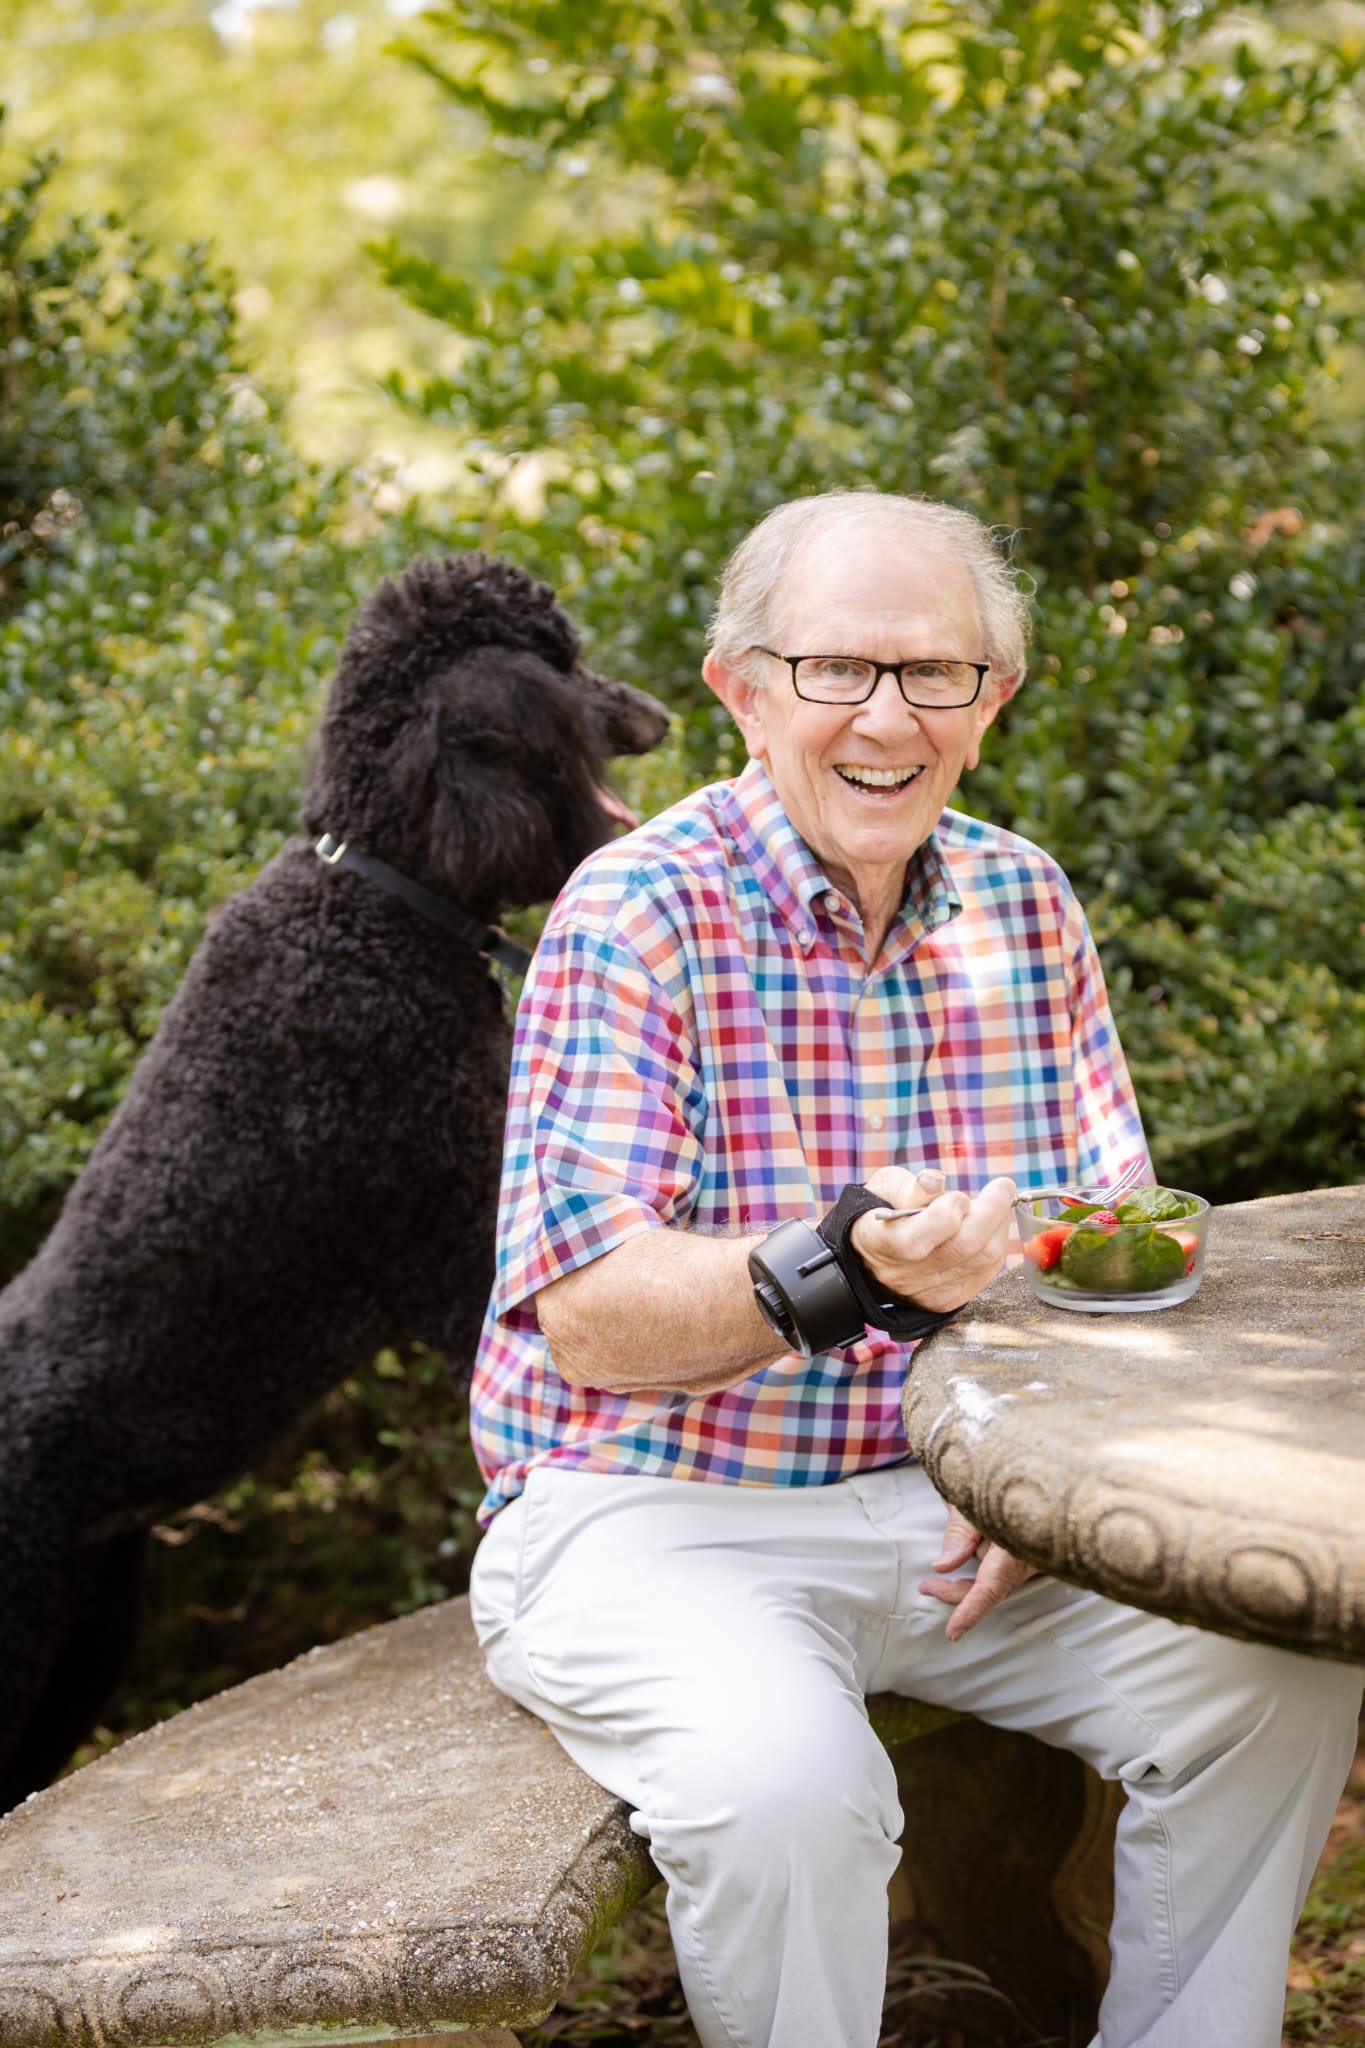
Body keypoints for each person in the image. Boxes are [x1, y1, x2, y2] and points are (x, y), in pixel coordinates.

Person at [467, 491, 1361, 2048]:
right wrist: (835, 1269)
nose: (884, 718)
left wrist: (1050, 1486)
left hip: (963, 1513)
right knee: (787, 1794)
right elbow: (593, 1323)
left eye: (932, 675)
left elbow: (1108, 1250)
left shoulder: (1024, 904)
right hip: (656, 1512)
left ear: (990, 700)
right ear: (741, 689)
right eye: (831, 671)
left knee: (1273, 1682)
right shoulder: (634, 914)